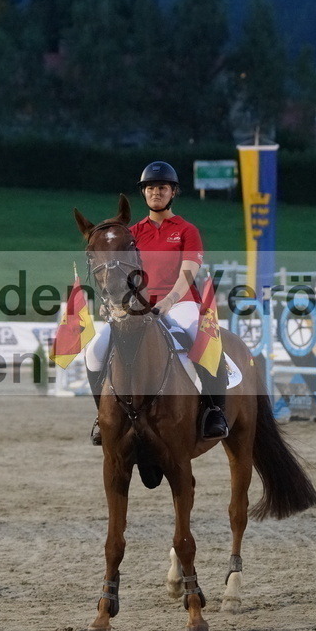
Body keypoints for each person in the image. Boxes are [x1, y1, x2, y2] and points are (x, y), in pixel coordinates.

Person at [85, 161, 229, 445]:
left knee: (201, 341)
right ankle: (104, 417)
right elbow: (119, 273)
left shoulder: (187, 230)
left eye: (162, 187)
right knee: (94, 351)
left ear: (173, 192)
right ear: (144, 193)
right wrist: (112, 303)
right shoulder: (133, 232)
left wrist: (169, 301)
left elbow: (189, 272)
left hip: (180, 302)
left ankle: (214, 410)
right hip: (137, 306)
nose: (155, 192)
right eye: (150, 188)